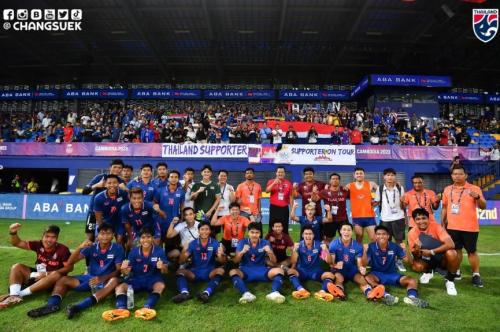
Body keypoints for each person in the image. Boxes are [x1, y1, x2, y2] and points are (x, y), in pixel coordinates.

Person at [27, 223, 124, 318]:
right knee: (63, 279)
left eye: (108, 234)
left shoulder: (118, 248)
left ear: (113, 236)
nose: (105, 237)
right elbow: (70, 262)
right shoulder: (92, 247)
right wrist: (80, 247)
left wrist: (102, 278)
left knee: (115, 281)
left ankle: (78, 307)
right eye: (102, 234)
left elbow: (118, 271)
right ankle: (52, 305)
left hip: (107, 280)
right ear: (97, 235)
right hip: (90, 279)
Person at [102, 227, 168, 321]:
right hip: (137, 279)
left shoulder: (159, 251)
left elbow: (165, 271)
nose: (146, 240)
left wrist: (162, 267)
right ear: (139, 239)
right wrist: (124, 269)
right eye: (143, 237)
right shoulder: (133, 252)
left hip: (153, 279)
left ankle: (147, 308)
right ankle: (121, 309)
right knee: (120, 287)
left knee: (160, 286)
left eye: (148, 237)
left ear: (152, 238)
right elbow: (126, 273)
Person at [0, 224, 71, 309]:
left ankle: (19, 294)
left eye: (53, 237)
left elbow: (69, 268)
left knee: (56, 274)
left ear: (57, 238)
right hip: (38, 275)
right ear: (42, 236)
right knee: (17, 267)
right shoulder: (38, 244)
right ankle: (14, 295)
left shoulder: (63, 249)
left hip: (53, 280)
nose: (49, 240)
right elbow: (17, 243)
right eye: (47, 236)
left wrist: (46, 274)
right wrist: (13, 232)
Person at [363, 225, 429, 308]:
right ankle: (386, 296)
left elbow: (408, 261)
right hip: (376, 274)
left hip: (392, 274)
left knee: (412, 280)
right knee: (367, 278)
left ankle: (412, 298)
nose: (381, 236)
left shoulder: (394, 246)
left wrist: (406, 249)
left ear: (388, 236)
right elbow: (364, 264)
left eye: (384, 234)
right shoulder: (371, 246)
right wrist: (364, 252)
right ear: (375, 236)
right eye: (378, 234)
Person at [441, 166, 486, 287]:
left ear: (465, 175)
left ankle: (476, 275)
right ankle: (457, 271)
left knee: (472, 252)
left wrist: (477, 197)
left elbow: (483, 206)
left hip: (470, 227)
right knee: (456, 251)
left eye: (460, 174)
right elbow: (445, 207)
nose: (457, 176)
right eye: (455, 174)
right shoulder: (447, 189)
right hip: (452, 226)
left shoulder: (474, 188)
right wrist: (442, 222)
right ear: (451, 176)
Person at [229, 222, 286, 304]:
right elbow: (235, 261)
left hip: (262, 270)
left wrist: (270, 252)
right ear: (248, 233)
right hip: (245, 270)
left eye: (257, 233)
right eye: (252, 232)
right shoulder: (242, 242)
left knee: (280, 271)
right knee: (233, 272)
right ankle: (246, 294)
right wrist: (242, 252)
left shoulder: (265, 243)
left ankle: (275, 293)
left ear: (260, 233)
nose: (254, 235)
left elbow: (274, 262)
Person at [172, 222, 226, 304]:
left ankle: (207, 293)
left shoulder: (215, 243)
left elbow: (223, 262)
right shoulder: (193, 243)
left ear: (210, 231)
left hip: (209, 271)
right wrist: (184, 252)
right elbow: (181, 261)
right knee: (180, 272)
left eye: (207, 229)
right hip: (194, 272)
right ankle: (185, 293)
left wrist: (220, 255)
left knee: (220, 271)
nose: (204, 232)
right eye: (202, 229)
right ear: (198, 231)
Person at [408, 208, 459, 296]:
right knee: (417, 266)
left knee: (452, 253)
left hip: (440, 257)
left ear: (428, 219)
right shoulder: (412, 233)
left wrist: (432, 252)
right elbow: (415, 256)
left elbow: (451, 244)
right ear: (414, 220)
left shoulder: (436, 227)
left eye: (424, 218)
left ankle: (450, 281)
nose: (421, 221)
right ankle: (428, 272)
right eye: (418, 219)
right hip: (425, 258)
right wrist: (416, 249)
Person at [329, 223, 382, 301]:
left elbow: (359, 263)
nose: (346, 232)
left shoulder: (357, 246)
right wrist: (335, 265)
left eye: (349, 230)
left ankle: (369, 293)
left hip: (352, 270)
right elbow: (331, 264)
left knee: (361, 279)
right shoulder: (333, 244)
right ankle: (339, 293)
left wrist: (361, 268)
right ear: (340, 231)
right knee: (339, 278)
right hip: (339, 270)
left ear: (352, 232)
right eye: (344, 230)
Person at [287, 226, 338, 302]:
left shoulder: (319, 245)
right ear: (302, 235)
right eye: (306, 234)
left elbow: (329, 262)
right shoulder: (299, 245)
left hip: (316, 272)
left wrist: (326, 250)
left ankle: (322, 292)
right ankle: (301, 290)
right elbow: (293, 261)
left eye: (310, 234)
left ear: (313, 235)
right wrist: (294, 250)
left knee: (330, 275)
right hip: (302, 271)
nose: (308, 236)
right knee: (290, 271)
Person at [83, 159, 125, 242]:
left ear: (121, 170)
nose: (117, 169)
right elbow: (84, 192)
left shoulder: (121, 182)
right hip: (94, 213)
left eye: (119, 168)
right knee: (90, 239)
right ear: (110, 168)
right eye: (115, 167)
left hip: (112, 216)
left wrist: (125, 188)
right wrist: (96, 185)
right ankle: (88, 254)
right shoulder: (100, 177)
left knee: (119, 239)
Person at [374, 168, 406, 272]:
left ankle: (399, 260)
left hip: (398, 217)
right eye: (388, 175)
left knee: (398, 240)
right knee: (385, 240)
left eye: (392, 175)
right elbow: (376, 202)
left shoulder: (400, 188)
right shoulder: (380, 188)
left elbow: (403, 204)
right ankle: (387, 259)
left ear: (395, 177)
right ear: (384, 177)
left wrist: (405, 217)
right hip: (385, 218)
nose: (390, 177)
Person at [345, 167, 378, 243]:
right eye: (357, 173)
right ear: (354, 175)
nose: (359, 175)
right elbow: (339, 192)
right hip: (356, 217)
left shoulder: (371, 184)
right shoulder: (349, 186)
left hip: (369, 216)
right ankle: (359, 254)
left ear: (364, 175)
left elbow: (382, 191)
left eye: (361, 173)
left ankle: (376, 254)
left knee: (374, 238)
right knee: (359, 239)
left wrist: (377, 202)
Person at [93, 174, 129, 245]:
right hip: (105, 221)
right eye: (109, 183)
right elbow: (98, 217)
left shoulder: (123, 194)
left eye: (114, 183)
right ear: (105, 184)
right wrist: (101, 230)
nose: (112, 185)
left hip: (119, 222)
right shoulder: (99, 197)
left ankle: (119, 255)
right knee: (99, 240)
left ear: (118, 184)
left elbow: (134, 199)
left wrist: (127, 189)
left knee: (120, 241)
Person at [153, 170, 185, 247]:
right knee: (159, 241)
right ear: (168, 178)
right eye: (171, 177)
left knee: (171, 243)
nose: (173, 179)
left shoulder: (181, 192)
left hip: (174, 221)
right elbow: (155, 203)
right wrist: (159, 211)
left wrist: (182, 219)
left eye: (176, 177)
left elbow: (182, 207)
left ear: (178, 179)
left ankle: (169, 257)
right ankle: (159, 257)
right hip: (161, 220)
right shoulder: (160, 190)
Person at [190, 165, 221, 235]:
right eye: (205, 172)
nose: (206, 173)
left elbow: (218, 199)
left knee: (212, 233)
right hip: (198, 213)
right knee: (198, 232)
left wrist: (210, 211)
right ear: (201, 173)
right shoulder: (196, 185)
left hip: (211, 214)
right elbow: (192, 198)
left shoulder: (215, 185)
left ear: (211, 173)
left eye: (208, 172)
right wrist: (198, 191)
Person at [319, 173, 350, 242]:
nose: (335, 180)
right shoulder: (324, 192)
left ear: (339, 181)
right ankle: (327, 252)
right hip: (330, 219)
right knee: (328, 239)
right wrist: (314, 193)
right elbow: (314, 200)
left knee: (345, 238)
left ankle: (344, 252)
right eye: (333, 179)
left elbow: (354, 197)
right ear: (330, 181)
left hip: (343, 219)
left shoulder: (345, 190)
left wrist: (348, 187)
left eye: (337, 179)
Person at [266, 166, 293, 233]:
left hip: (284, 208)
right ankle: (271, 240)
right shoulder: (271, 181)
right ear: (276, 173)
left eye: (282, 172)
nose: (280, 174)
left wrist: (292, 210)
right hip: (274, 207)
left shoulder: (289, 183)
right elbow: (267, 191)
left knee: (284, 225)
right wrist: (274, 183)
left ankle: (285, 241)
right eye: (279, 172)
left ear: (284, 173)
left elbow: (291, 197)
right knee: (272, 225)